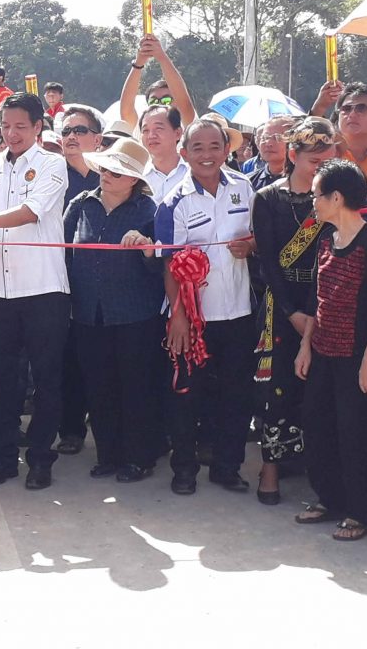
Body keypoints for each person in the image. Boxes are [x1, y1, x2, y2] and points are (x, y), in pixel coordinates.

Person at [0, 92, 70, 490]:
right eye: (6, 126)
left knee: (46, 378)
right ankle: (3, 459)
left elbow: (31, 212)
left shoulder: (53, 163)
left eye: (21, 126)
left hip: (43, 288)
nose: (12, 134)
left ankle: (41, 459)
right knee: (1, 379)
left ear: (39, 126)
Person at [293, 159, 367, 540]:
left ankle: (358, 513)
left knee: (357, 434)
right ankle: (329, 499)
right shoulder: (326, 239)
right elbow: (316, 299)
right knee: (317, 426)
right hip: (322, 351)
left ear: (336, 197)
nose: (313, 202)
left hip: (356, 355)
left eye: (317, 195)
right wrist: (305, 345)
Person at [157, 119, 257, 495]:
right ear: (184, 153)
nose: (207, 155)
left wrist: (251, 246)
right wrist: (179, 317)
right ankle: (184, 469)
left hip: (239, 311)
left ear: (227, 150)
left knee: (236, 394)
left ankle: (227, 467)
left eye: (215, 146)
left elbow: (258, 236)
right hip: (194, 317)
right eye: (197, 147)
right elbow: (170, 263)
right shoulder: (174, 202)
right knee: (187, 395)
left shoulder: (244, 188)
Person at [64, 138, 164, 481]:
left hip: (135, 314)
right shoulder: (81, 204)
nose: (106, 175)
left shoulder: (150, 211)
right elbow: (62, 252)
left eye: (116, 172)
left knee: (136, 386)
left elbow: (162, 266)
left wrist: (148, 250)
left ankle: (139, 457)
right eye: (105, 168)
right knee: (98, 385)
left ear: (134, 179)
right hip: (87, 313)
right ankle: (107, 455)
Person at [251, 117, 339, 504]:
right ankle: (270, 466)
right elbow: (268, 262)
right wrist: (292, 312)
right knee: (278, 387)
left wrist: (315, 311)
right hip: (281, 301)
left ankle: (327, 469)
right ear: (293, 155)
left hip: (330, 297)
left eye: (327, 160)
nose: (320, 167)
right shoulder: (268, 198)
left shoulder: (342, 195)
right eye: (313, 161)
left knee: (326, 387)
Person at [55, 105, 105, 456]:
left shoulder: (112, 176)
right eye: (66, 131)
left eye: (80, 130)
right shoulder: (51, 176)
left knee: (102, 363)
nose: (71, 136)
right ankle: (71, 429)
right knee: (68, 360)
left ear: (98, 139)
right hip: (62, 282)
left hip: (107, 287)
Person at [119, 34, 197, 128]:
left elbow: (184, 104)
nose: (159, 105)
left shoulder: (184, 126)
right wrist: (138, 63)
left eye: (166, 100)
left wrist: (161, 56)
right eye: (153, 101)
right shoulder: (142, 128)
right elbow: (126, 111)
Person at [139, 105, 189, 203]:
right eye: (145, 130)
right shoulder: (137, 178)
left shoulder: (194, 174)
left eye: (158, 128)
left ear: (178, 133)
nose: (151, 135)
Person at [249, 115, 297, 191]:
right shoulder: (248, 183)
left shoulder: (305, 182)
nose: (268, 143)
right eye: (265, 137)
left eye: (277, 137)